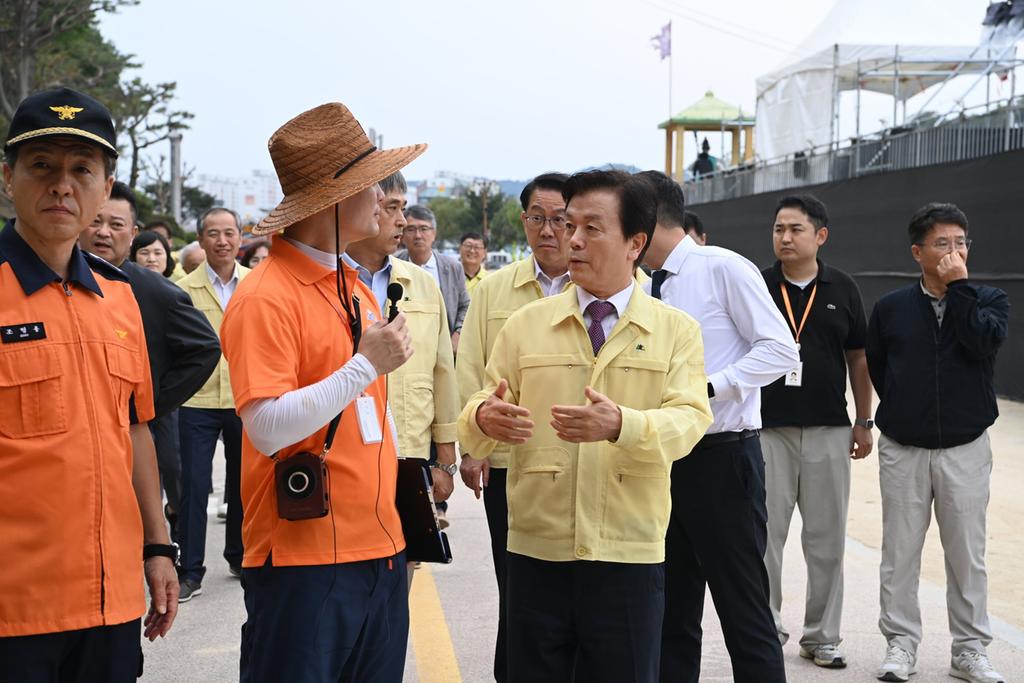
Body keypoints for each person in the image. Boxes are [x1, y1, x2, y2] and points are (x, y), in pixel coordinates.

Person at [459, 169, 712, 683]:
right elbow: (482, 402)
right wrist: (482, 417)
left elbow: (690, 419)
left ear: (635, 243)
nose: (571, 239)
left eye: (591, 228)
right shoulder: (526, 325)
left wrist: (622, 425)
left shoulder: (675, 330)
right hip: (537, 548)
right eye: (569, 225)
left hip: (628, 550)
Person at [220, 101, 424, 683]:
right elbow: (266, 426)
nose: (382, 196)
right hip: (304, 556)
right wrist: (364, 366)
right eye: (372, 184)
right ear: (337, 199)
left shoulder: (351, 286)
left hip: (378, 547)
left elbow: (369, 412)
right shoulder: (266, 295)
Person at [0, 86, 177, 680]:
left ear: (106, 188)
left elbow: (136, 428)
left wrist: (159, 547)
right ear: (8, 177)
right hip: (14, 608)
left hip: (111, 603)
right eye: (41, 166)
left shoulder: (120, 298)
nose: (62, 185)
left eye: (82, 169)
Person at [638, 170, 798, 683]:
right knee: (670, 610)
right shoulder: (638, 283)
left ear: (648, 217)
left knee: (743, 609)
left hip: (721, 458)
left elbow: (780, 350)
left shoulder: (722, 267)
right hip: (661, 460)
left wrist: (708, 387)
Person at [866, 203, 1008, 683]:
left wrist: (961, 287)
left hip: (966, 447)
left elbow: (982, 343)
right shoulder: (891, 307)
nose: (954, 251)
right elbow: (881, 366)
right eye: (942, 243)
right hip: (903, 448)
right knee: (899, 552)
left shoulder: (988, 299)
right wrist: (908, 409)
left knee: (967, 554)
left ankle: (969, 650)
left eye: (961, 243)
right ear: (917, 252)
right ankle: (900, 645)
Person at [456, 171, 573, 683]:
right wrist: (472, 448)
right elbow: (471, 369)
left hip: (578, 457)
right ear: (523, 221)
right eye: (537, 218)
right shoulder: (494, 289)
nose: (548, 230)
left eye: (559, 219)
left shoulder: (602, 285)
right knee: (517, 583)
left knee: (576, 587)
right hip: (511, 461)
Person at [759, 194, 873, 668]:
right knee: (764, 538)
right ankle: (765, 630)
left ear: (820, 235)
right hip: (767, 431)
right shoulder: (758, 285)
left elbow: (858, 357)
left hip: (829, 429)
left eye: (796, 229)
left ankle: (822, 636)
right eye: (779, 229)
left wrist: (864, 420)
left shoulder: (842, 287)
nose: (785, 238)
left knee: (826, 540)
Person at [79, 181, 220, 544]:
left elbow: (205, 348)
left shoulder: (154, 291)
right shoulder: (56, 279)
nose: (103, 232)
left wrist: (153, 401)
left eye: (116, 224)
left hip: (135, 427)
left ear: (133, 233)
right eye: (95, 221)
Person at [343, 170, 458, 511]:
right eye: (391, 208)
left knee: (409, 541)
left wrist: (445, 458)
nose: (403, 221)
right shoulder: (326, 282)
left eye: (403, 208)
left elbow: (442, 371)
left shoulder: (422, 284)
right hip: (346, 454)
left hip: (411, 452)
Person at [175, 207, 250, 600]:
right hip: (196, 399)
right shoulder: (181, 289)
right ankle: (190, 571)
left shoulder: (257, 284)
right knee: (193, 485)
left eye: (229, 233)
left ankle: (240, 555)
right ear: (201, 240)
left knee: (244, 482)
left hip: (245, 396)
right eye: (214, 234)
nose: (222, 241)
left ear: (240, 238)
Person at [399, 204, 470, 351]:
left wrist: (458, 333)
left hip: (443, 346)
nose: (418, 235)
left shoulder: (452, 267)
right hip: (405, 347)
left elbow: (465, 305)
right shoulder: (393, 264)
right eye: (411, 229)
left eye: (424, 229)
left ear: (434, 233)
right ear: (402, 235)